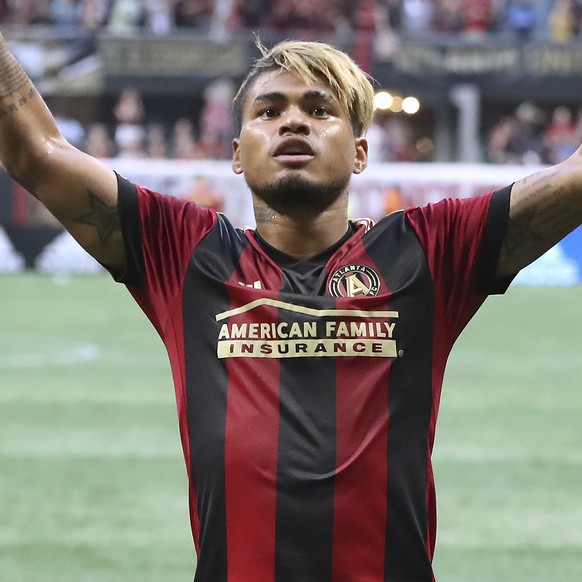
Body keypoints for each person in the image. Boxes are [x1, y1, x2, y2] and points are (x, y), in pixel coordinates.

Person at [0, 34, 581, 581]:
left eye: (320, 109)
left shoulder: (429, 251)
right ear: (236, 153)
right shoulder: (183, 254)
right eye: (269, 110)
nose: (294, 120)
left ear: (359, 153)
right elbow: (36, 151)